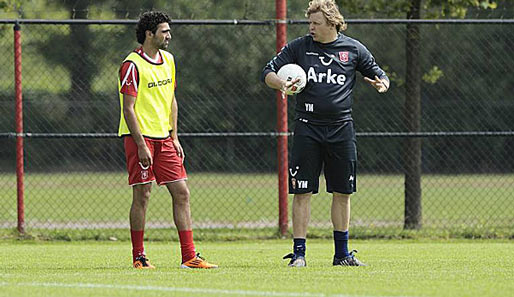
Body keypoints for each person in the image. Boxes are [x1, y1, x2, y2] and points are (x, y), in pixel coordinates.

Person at [261, 0, 389, 267]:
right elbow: (267, 72)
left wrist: (381, 84)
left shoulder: (353, 49)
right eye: (309, 23)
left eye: (316, 23)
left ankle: (342, 254)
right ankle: (299, 254)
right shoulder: (299, 47)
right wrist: (281, 83)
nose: (311, 28)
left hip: (342, 129)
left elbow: (379, 74)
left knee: (343, 192)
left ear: (332, 23)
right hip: (307, 127)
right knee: (303, 191)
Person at [118, 11, 217, 269]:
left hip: (165, 138)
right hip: (140, 138)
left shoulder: (169, 60)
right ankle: (139, 256)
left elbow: (171, 99)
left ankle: (189, 257)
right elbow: (128, 108)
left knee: (182, 192)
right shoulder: (131, 65)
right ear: (149, 34)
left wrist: (175, 136)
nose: (169, 36)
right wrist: (140, 144)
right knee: (143, 194)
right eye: (164, 31)